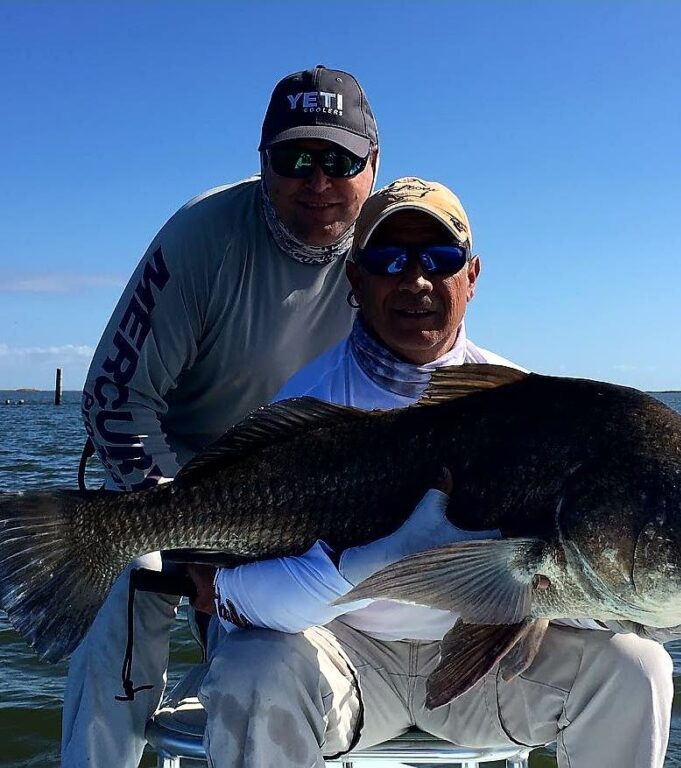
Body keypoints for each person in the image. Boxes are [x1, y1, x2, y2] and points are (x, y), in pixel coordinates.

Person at [189, 177, 681, 768]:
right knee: (251, 669)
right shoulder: (310, 405)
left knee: (638, 666)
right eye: (388, 258)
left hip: (487, 667)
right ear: (355, 278)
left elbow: (571, 585)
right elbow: (234, 596)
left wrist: (652, 595)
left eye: (441, 258)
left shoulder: (527, 405)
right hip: (343, 661)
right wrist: (367, 567)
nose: (416, 279)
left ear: (471, 276)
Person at [65, 65, 379, 768]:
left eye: (339, 159)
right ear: (262, 163)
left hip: (305, 500)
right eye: (296, 159)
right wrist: (187, 536)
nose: (318, 181)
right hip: (170, 478)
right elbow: (115, 396)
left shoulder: (394, 248)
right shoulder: (203, 236)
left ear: (373, 163)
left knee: (277, 652)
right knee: (121, 597)